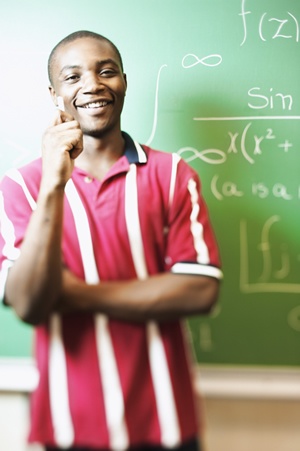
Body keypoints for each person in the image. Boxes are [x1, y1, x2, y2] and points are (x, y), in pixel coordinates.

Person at [0, 31, 222, 451]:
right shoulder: (22, 186)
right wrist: (52, 185)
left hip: (167, 423)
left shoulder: (173, 175)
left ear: (124, 81)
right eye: (73, 76)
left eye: (107, 72)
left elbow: (200, 290)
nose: (93, 85)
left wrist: (75, 294)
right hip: (68, 425)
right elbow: (30, 304)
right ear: (54, 94)